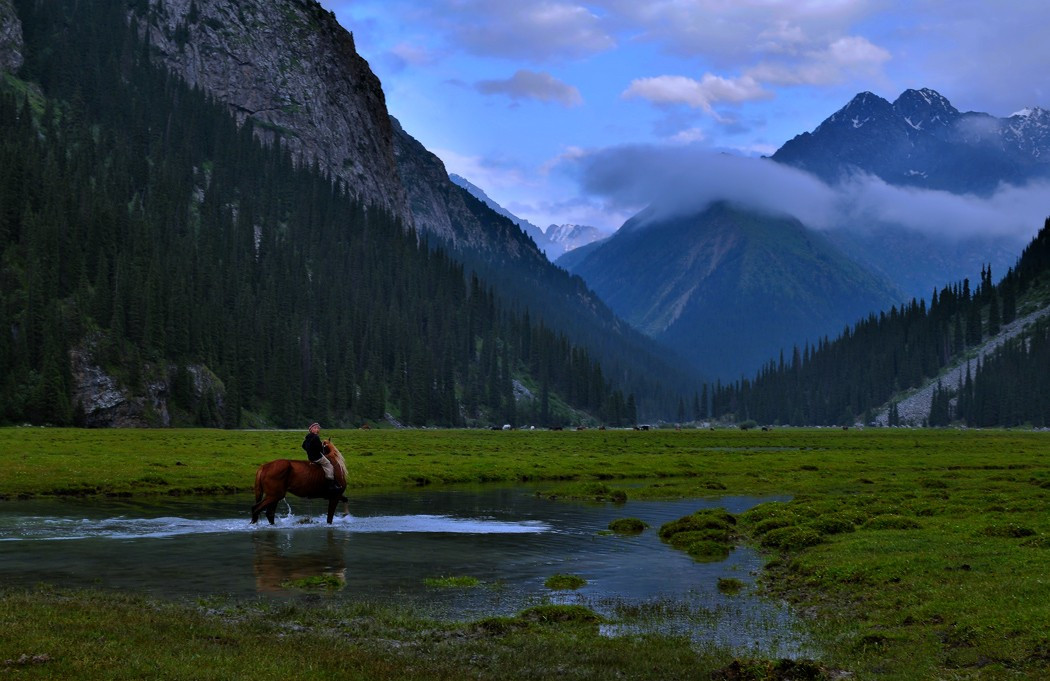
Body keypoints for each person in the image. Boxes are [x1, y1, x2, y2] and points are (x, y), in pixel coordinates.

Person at [302, 422, 339, 493]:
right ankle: (330, 484)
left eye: (318, 428)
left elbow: (303, 446)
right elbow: (320, 449)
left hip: (310, 458)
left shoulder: (308, 437)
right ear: (311, 430)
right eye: (315, 428)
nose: (317, 430)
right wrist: (323, 447)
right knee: (329, 465)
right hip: (317, 457)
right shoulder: (316, 437)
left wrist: (309, 450)